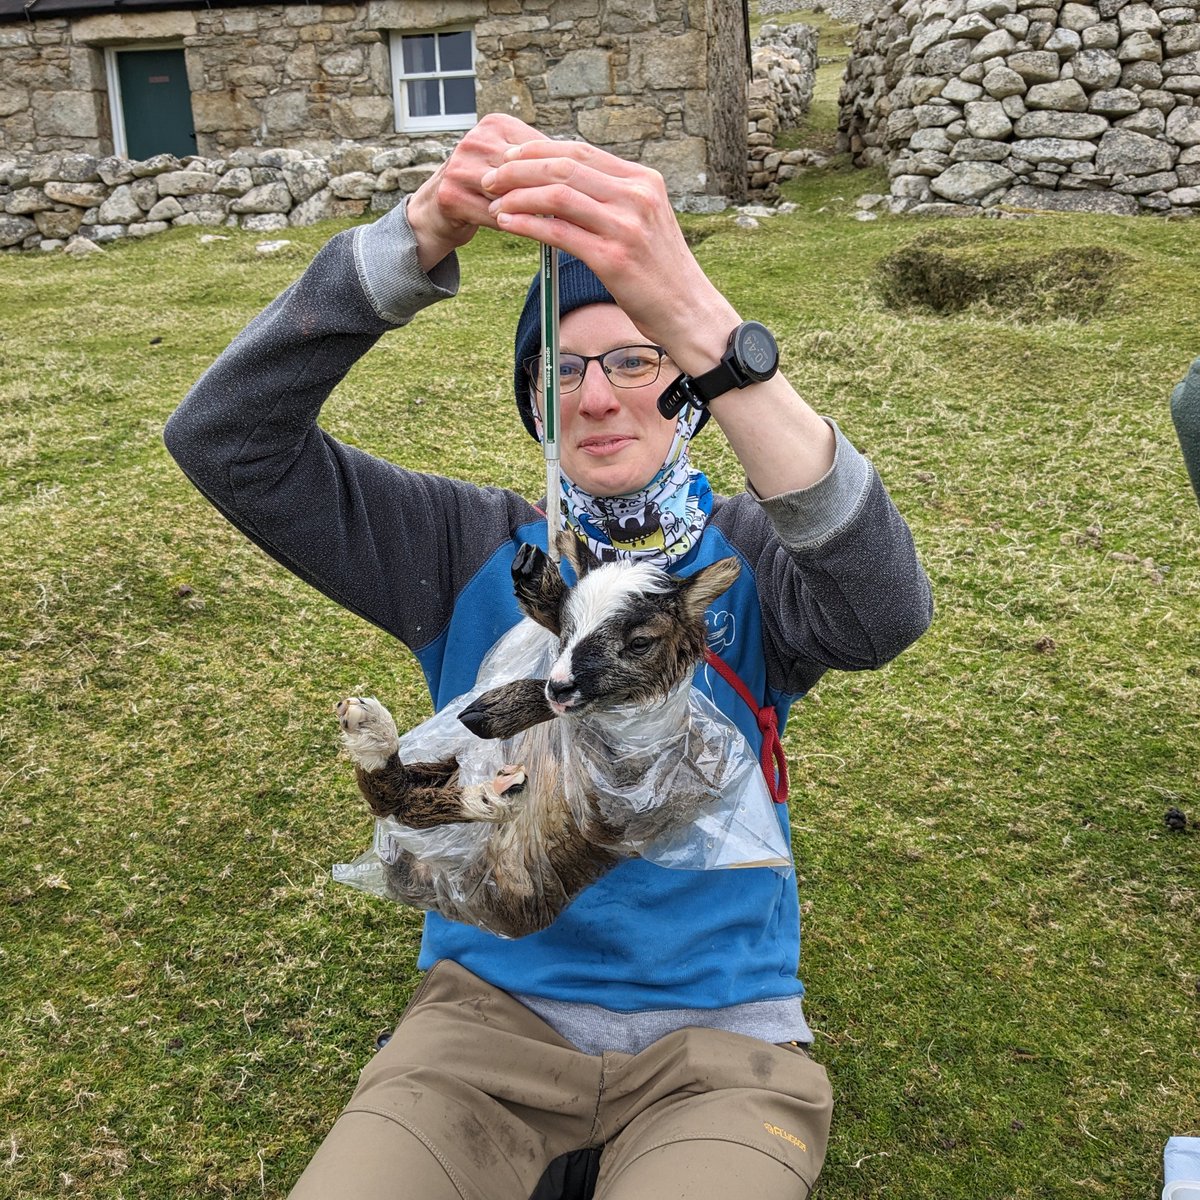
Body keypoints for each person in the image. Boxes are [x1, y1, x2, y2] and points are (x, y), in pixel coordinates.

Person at [165, 113, 933, 1200]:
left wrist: (711, 329)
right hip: (477, 1041)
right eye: (563, 371)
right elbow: (225, 440)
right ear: (535, 402)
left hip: (719, 1053)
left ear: (692, 393)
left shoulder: (754, 560)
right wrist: (414, 236)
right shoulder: (460, 549)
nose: (600, 394)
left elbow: (887, 613)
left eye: (637, 357)